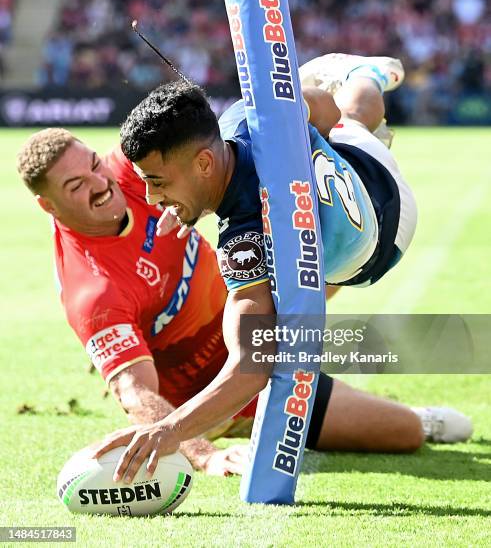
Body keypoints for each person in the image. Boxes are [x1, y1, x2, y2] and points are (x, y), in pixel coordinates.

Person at [84, 54, 471, 482]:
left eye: (157, 182)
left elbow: (252, 364)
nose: (152, 200)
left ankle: (363, 77)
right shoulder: (248, 118)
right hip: (368, 171)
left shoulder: (242, 243)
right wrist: (304, 127)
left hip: (375, 250)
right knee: (351, 117)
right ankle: (367, 75)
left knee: (282, 312)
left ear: (205, 164)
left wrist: (169, 430)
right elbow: (325, 111)